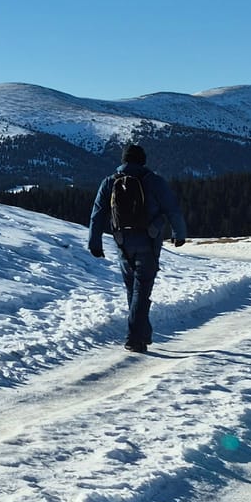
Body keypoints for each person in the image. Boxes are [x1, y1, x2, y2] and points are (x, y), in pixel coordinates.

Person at [88, 143, 187, 352]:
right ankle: (134, 338)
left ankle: (143, 334)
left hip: (122, 243)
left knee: (133, 290)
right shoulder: (154, 181)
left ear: (123, 160)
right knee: (142, 289)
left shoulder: (110, 182)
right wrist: (179, 234)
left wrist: (94, 243)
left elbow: (97, 214)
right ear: (143, 160)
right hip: (148, 243)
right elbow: (173, 209)